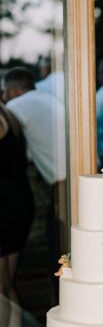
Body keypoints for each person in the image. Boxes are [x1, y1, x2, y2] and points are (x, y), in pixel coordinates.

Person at [3, 67, 66, 292]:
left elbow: (10, 145)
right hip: (74, 177)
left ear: (13, 92)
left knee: (59, 254)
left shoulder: (14, 108)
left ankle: (59, 305)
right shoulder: (46, 99)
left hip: (64, 186)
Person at [0, 101, 34, 327]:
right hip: (19, 201)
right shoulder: (8, 114)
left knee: (1, 287)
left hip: (3, 205)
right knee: (7, 283)